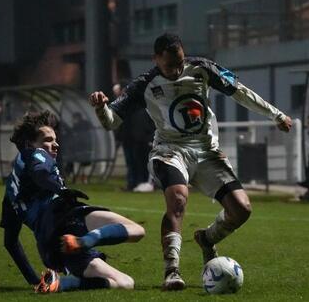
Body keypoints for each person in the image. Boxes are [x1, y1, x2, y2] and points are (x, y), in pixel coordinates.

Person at [89, 33, 292, 290]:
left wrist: (276, 114)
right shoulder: (145, 83)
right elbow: (111, 122)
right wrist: (100, 108)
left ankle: (207, 239)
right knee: (178, 200)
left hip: (207, 152)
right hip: (169, 151)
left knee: (242, 209)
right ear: (155, 60)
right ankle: (171, 270)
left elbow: (239, 92)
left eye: (179, 63)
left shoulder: (202, 68)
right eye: (169, 66)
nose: (175, 70)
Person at [0, 111, 145, 293]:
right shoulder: (34, 153)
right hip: (66, 217)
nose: (55, 144)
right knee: (137, 230)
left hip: (52, 245)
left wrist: (33, 279)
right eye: (48, 139)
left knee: (125, 283)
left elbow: (10, 242)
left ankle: (61, 284)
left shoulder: (10, 194)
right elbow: (41, 173)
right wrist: (60, 190)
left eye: (55, 139)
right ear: (30, 143)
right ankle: (85, 241)